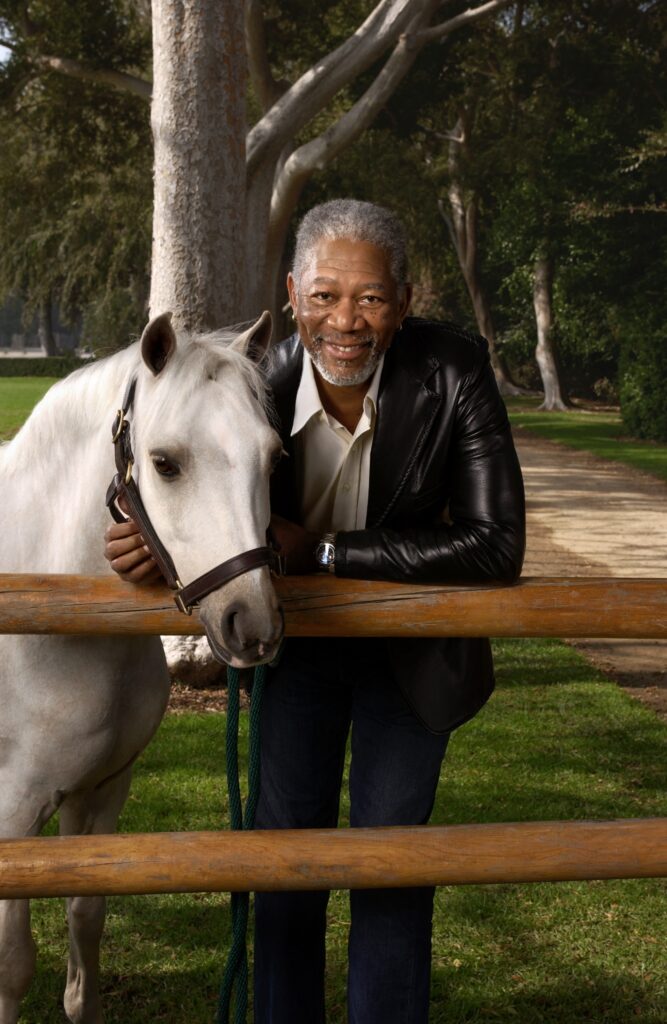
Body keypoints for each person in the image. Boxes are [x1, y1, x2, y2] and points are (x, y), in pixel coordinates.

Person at [105, 199, 525, 1024]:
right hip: (290, 651)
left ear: (404, 302)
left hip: (414, 650)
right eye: (326, 296)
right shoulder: (254, 383)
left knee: (389, 868)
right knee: (284, 869)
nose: (346, 321)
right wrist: (153, 547)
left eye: (370, 298)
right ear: (292, 295)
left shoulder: (455, 372)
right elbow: (192, 493)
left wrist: (323, 549)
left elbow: (494, 545)